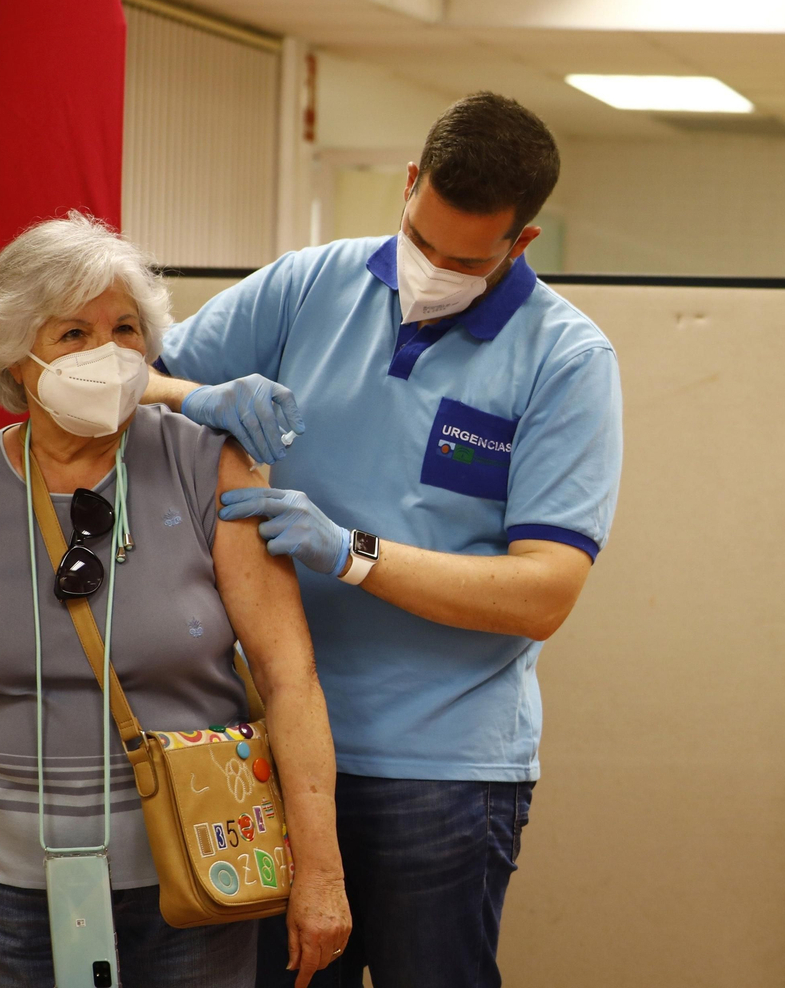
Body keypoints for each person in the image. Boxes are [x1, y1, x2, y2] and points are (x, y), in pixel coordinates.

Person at [143, 92, 624, 987]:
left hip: (440, 767)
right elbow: (119, 383)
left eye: (464, 259)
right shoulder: (307, 285)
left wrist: (351, 553)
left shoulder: (566, 359)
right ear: (409, 183)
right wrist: (193, 397)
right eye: (420, 239)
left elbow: (545, 593)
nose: (431, 270)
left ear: (522, 240)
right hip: (270, 745)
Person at [0, 214, 350, 988]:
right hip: (5, 891)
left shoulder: (208, 464)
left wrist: (322, 872)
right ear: (15, 356)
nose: (109, 352)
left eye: (126, 328)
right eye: (74, 333)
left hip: (201, 871)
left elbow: (288, 674)